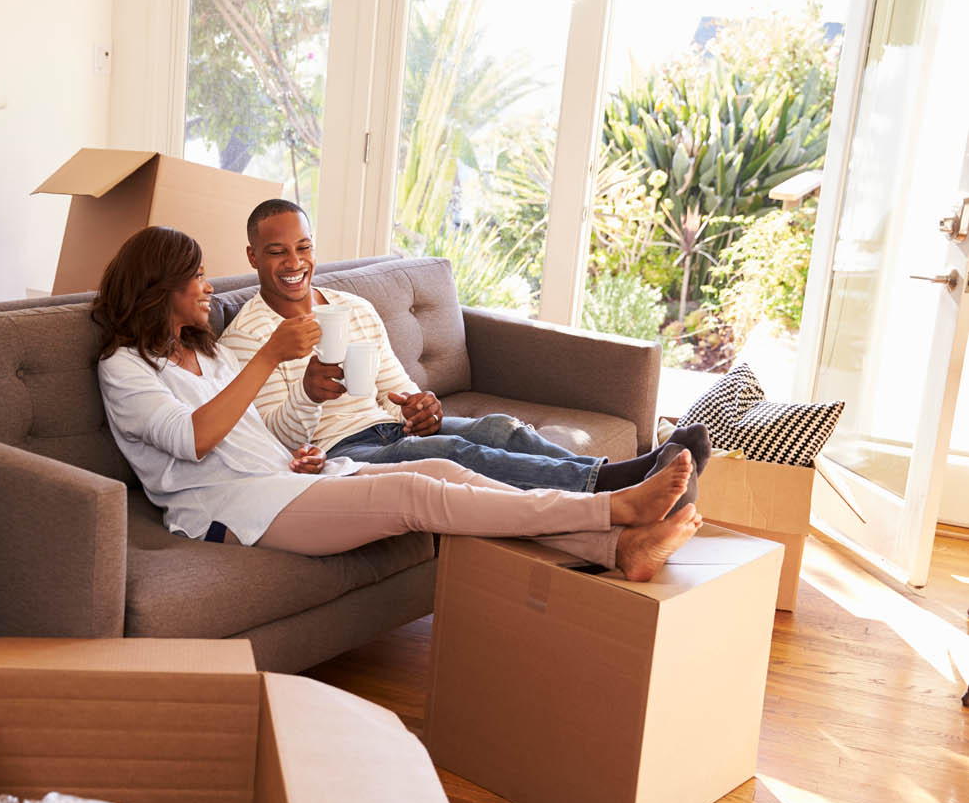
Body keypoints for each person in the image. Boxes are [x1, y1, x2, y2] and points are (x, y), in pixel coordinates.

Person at [93, 225, 704, 581]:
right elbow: (193, 438)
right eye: (196, 276)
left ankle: (618, 548)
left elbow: (258, 431)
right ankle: (611, 509)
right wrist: (270, 358)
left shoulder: (207, 353)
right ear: (159, 288)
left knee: (441, 468)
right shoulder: (123, 369)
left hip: (284, 478)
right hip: (230, 510)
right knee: (416, 493)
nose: (207, 286)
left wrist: (304, 424)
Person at [218, 198, 711, 497]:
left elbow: (397, 389)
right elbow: (274, 438)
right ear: (253, 257)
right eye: (276, 251)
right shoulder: (247, 336)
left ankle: (624, 472)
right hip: (339, 453)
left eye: (302, 247)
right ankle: (616, 484)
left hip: (386, 427)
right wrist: (308, 393)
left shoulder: (353, 307)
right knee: (452, 450)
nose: (293, 262)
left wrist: (421, 407)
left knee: (496, 428)